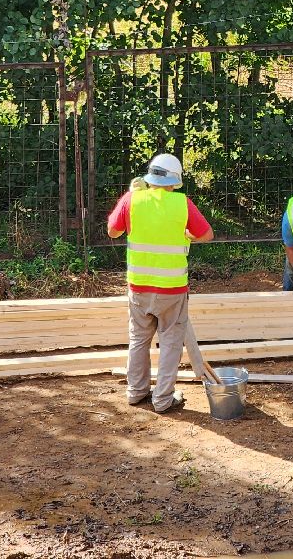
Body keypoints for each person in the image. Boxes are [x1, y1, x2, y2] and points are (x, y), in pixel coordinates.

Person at [106, 152, 214, 413]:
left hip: (139, 287)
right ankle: (163, 399)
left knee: (139, 339)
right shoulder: (181, 203)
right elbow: (207, 235)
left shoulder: (133, 199)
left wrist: (128, 197)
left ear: (149, 177)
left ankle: (136, 392)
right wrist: (188, 234)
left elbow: (113, 231)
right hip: (172, 290)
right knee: (170, 342)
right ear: (174, 182)